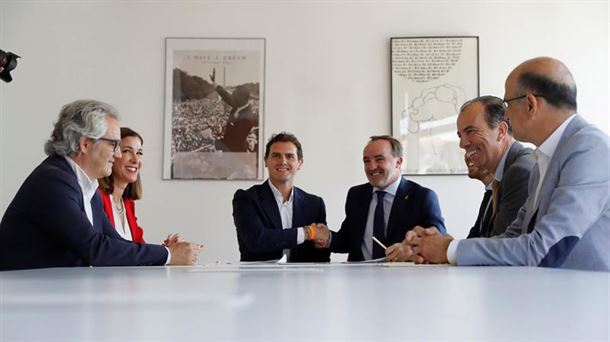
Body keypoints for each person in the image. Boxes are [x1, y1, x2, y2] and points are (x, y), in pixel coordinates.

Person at [405, 57, 610, 271]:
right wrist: (442, 247)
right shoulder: (545, 156)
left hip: (587, 300)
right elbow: (514, 235)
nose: (506, 114)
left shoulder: (589, 148)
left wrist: (449, 249)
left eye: (506, 104)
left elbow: (545, 249)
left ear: (530, 104)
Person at [0, 100, 202, 271]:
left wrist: (164, 254)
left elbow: (116, 244)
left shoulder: (86, 185)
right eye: (114, 145)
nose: (118, 154)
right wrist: (168, 255)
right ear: (85, 144)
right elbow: (95, 249)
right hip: (22, 303)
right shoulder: (53, 180)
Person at [324, 135, 446, 262]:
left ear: (398, 162)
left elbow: (438, 239)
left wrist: (409, 248)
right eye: (366, 161)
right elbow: (348, 241)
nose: (371, 167)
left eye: (379, 159)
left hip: (404, 277)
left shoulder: (422, 197)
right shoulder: (356, 195)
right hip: (360, 277)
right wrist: (326, 237)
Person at [232, 132, 330, 262]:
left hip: (302, 280)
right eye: (276, 156)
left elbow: (321, 253)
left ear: (300, 163)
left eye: (290, 156)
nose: (283, 161)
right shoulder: (246, 199)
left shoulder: (315, 204)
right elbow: (257, 241)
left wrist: (323, 242)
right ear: (266, 161)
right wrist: (307, 232)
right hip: (258, 280)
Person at [458, 96, 536, 238]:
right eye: (460, 135)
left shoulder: (520, 172)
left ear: (501, 131)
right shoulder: (503, 174)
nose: (462, 144)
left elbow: (500, 246)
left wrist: (446, 247)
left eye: (470, 131)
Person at [98, 127, 154, 243]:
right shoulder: (97, 197)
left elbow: (140, 249)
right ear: (113, 155)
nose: (135, 160)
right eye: (127, 151)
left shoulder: (128, 203)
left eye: (139, 153)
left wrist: (168, 250)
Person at [209, 68, 257, 153]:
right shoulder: (239, 103)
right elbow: (225, 95)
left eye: (234, 95)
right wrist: (214, 82)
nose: (232, 97)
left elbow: (234, 141)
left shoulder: (247, 118)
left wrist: (214, 142)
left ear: (242, 98)